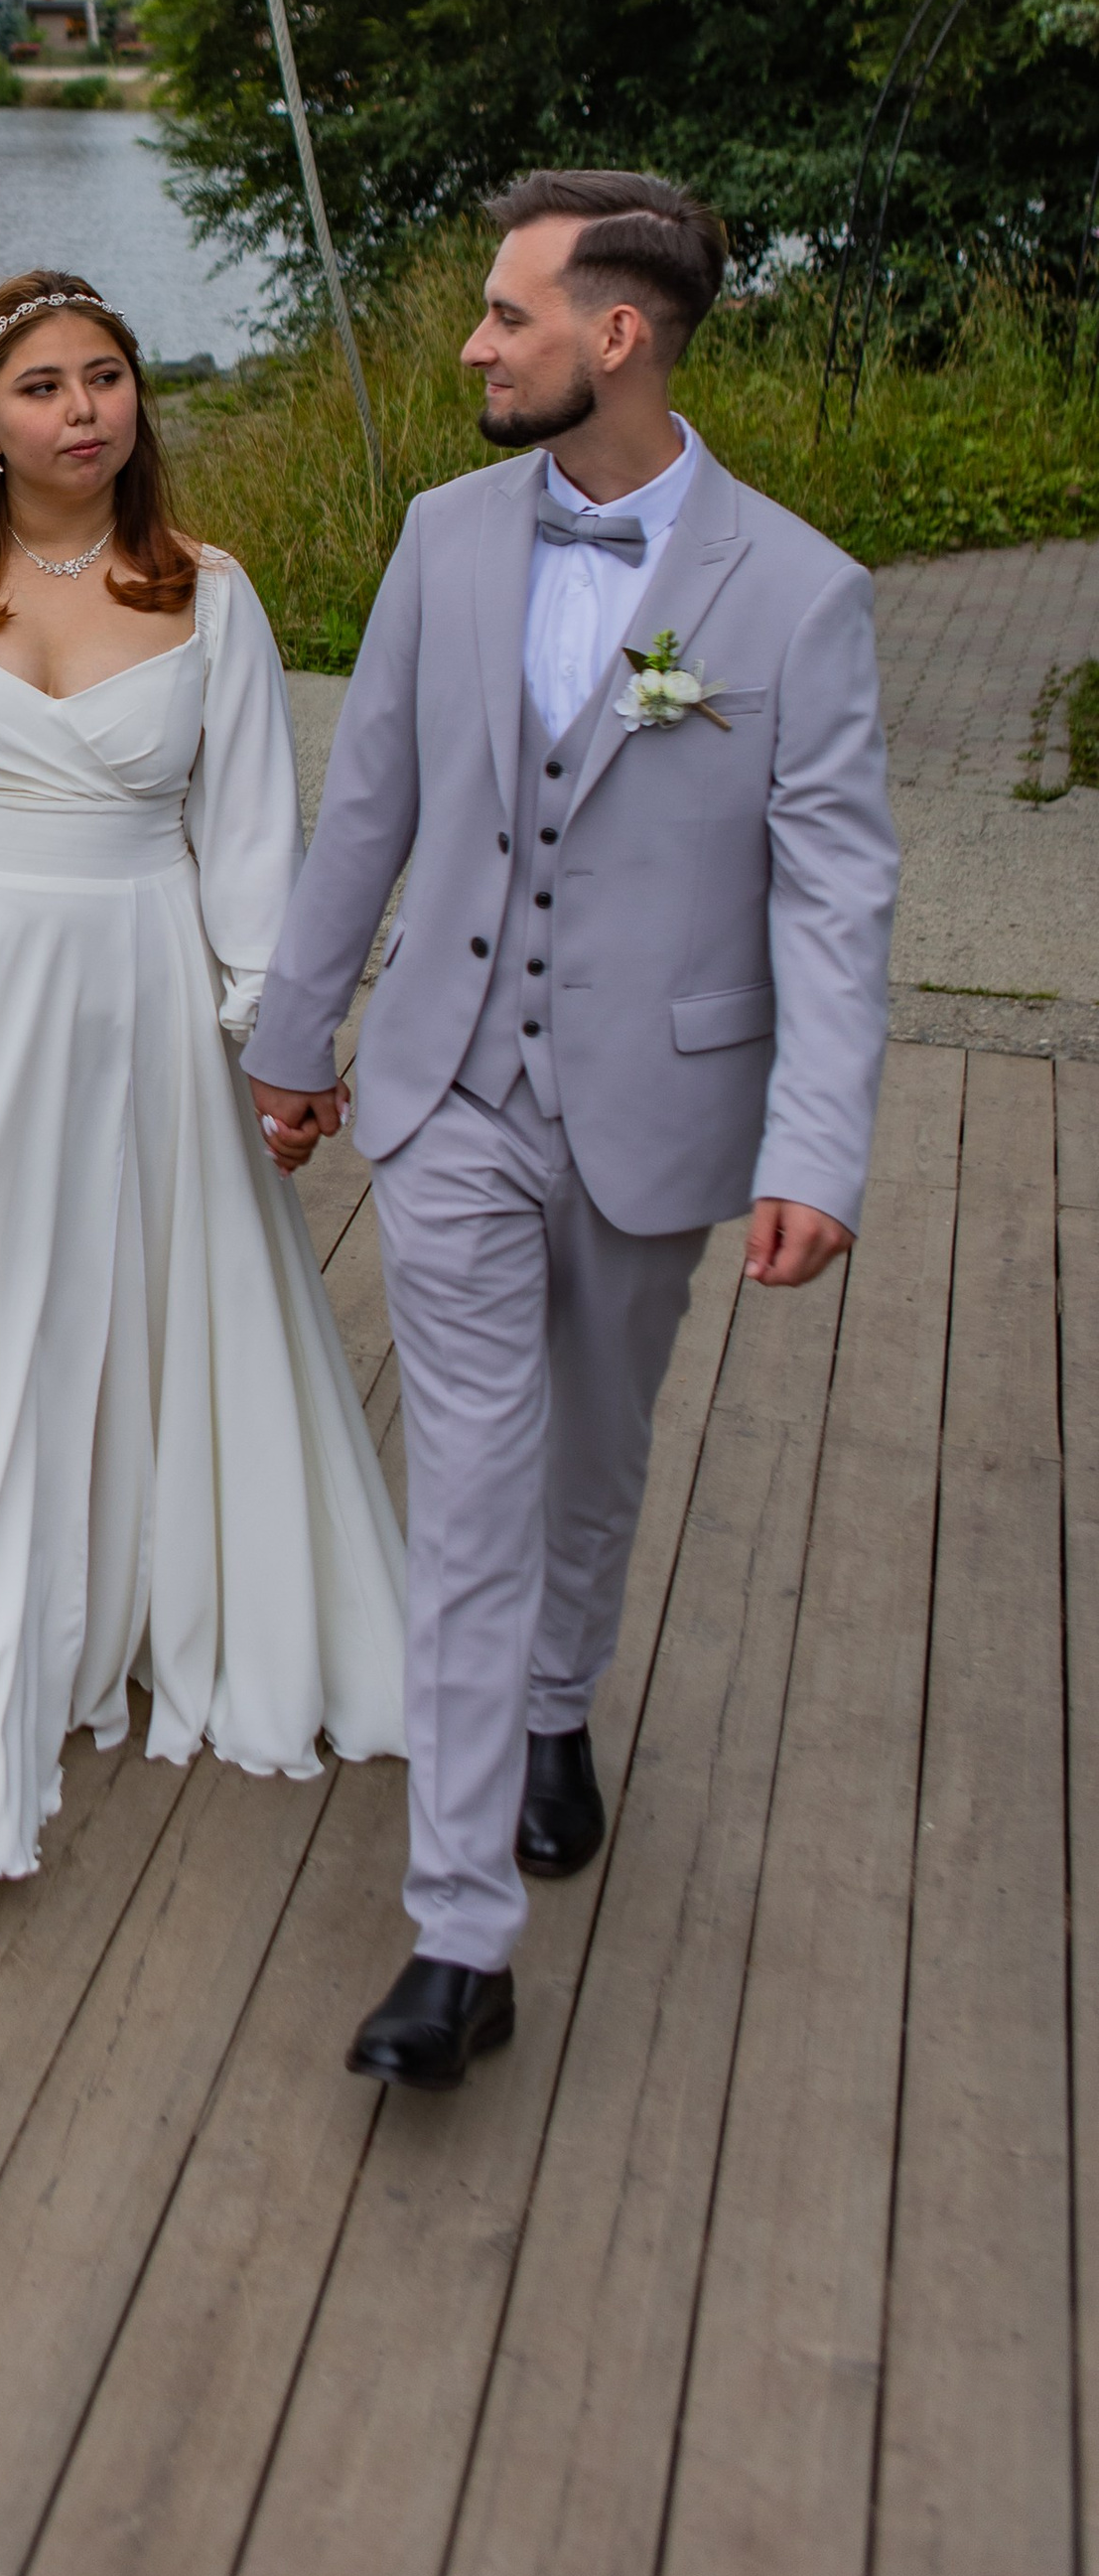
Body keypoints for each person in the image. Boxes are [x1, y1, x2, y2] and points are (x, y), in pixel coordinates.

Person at [248, 173, 898, 2087]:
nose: (473, 343)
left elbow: (835, 902)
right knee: (466, 1490)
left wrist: (816, 1150)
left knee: (593, 1459)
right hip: (444, 1084)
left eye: (505, 315)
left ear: (614, 337)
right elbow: (366, 802)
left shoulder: (803, 594)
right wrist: (300, 1041)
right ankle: (460, 1935)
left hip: (660, 1110)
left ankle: (555, 1706)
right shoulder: (444, 541)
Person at [0, 269, 406, 1898]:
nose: (84, 411)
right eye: (43, 387)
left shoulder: (209, 591)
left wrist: (279, 1036)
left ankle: (122, 1614)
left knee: (142, 1313)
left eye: (106, 379)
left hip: (145, 1000)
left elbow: (253, 835)